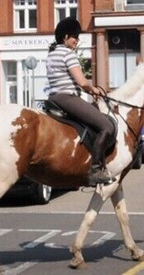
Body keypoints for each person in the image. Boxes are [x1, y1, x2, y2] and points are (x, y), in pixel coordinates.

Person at [45, 17, 116, 186]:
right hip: (68, 98)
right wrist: (95, 90)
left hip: (54, 97)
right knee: (107, 126)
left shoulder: (52, 54)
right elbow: (82, 82)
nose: (77, 40)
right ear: (65, 37)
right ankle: (96, 169)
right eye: (74, 37)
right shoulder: (68, 54)